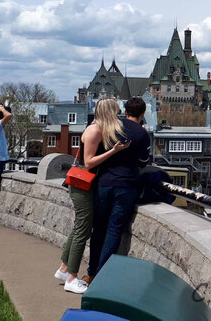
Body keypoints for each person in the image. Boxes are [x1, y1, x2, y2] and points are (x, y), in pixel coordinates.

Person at [55, 98, 130, 294]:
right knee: (83, 230)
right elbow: (88, 162)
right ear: (109, 112)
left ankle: (64, 269)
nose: (118, 114)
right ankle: (71, 278)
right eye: (116, 111)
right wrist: (113, 151)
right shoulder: (95, 130)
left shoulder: (97, 128)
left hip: (84, 184)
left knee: (79, 227)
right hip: (82, 184)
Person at [86, 97, 152, 282]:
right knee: (114, 229)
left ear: (125, 110)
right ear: (142, 114)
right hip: (127, 185)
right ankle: (101, 275)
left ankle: (91, 272)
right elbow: (144, 161)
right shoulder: (141, 133)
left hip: (104, 182)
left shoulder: (111, 126)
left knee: (98, 229)